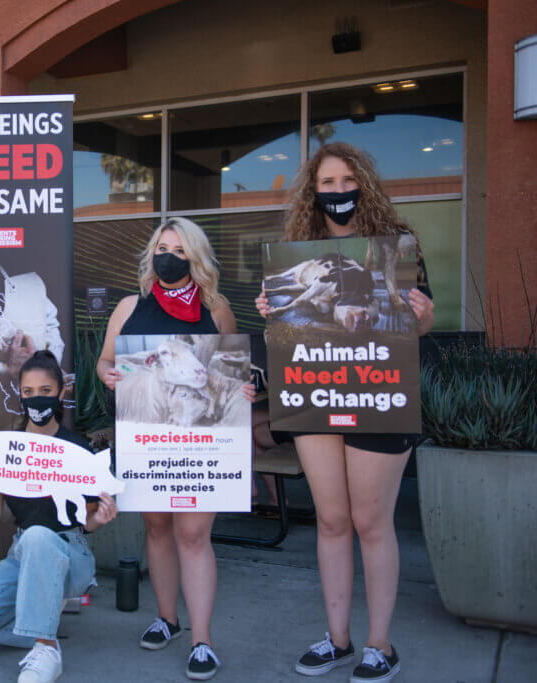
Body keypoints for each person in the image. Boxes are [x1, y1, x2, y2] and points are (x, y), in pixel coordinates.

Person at [255, 142, 434, 683]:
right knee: (332, 520)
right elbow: (284, 329)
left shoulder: (396, 247)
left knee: (370, 521)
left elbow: (419, 326)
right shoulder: (296, 252)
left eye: (346, 181)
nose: (337, 191)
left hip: (378, 395)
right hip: (315, 394)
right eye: (327, 183)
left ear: (364, 185)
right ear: (314, 191)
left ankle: (380, 645)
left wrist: (422, 315)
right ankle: (337, 640)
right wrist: (271, 311)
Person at [96, 217, 246, 680]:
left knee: (194, 534)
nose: (169, 257)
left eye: (180, 251)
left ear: (195, 258)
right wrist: (108, 374)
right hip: (147, 435)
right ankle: (167, 619)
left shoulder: (216, 308)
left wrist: (246, 391)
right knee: (157, 528)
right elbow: (104, 360)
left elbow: (233, 369)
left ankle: (202, 641)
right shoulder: (127, 308)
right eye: (162, 248)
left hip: (202, 438)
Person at [0, 350, 118, 683]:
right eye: (29, 393)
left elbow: (89, 521)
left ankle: (46, 648)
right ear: (20, 395)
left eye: (46, 392)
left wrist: (103, 518)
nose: (37, 399)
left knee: (39, 534)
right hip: (21, 553)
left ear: (61, 393)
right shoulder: (3, 448)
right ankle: (41, 623)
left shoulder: (76, 449)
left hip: (70, 552)